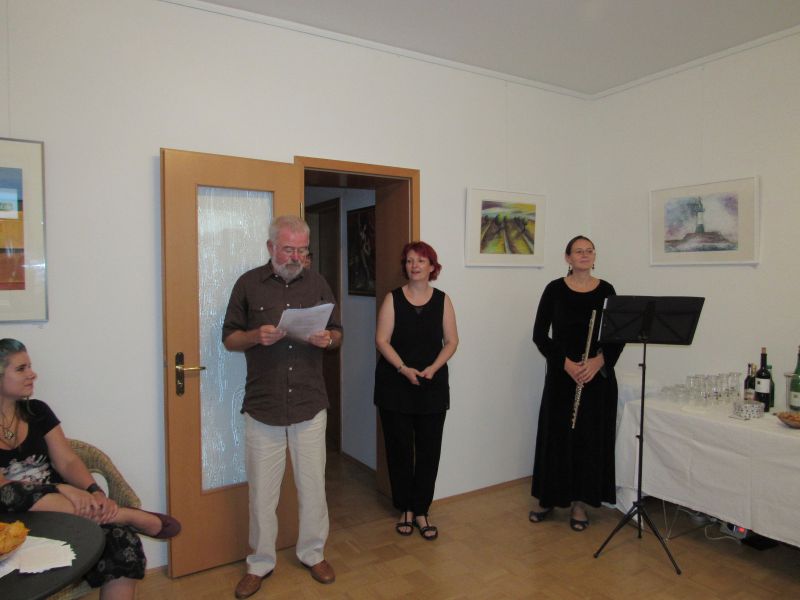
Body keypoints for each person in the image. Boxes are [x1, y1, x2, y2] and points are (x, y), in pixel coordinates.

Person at [0, 338, 180, 600]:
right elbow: (4, 489)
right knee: (7, 494)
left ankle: (110, 517)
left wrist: (93, 490)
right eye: (21, 369)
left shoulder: (37, 411)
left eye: (30, 366)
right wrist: (61, 489)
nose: (32, 374)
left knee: (122, 541)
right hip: (11, 524)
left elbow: (67, 461)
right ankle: (122, 514)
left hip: (65, 512)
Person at [222, 215, 342, 599]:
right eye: (289, 249)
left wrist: (328, 339)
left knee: (313, 488)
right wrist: (254, 336)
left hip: (309, 402)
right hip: (264, 405)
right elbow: (229, 339)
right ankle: (259, 563)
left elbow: (338, 332)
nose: (296, 257)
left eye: (302, 250)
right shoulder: (248, 284)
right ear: (271, 246)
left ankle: (313, 553)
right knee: (262, 494)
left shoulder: (318, 283)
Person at [529, 235, 624, 531]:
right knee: (556, 437)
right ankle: (548, 497)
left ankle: (580, 503)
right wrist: (567, 364)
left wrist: (598, 361)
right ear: (567, 258)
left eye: (589, 251)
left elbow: (617, 335)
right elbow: (540, 335)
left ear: (594, 256)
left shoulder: (607, 290)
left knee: (588, 440)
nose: (584, 255)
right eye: (578, 251)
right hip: (563, 374)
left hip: (595, 376)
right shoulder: (554, 289)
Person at [374, 241, 458, 541]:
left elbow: (452, 341)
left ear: (432, 266)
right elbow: (382, 340)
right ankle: (405, 508)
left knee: (428, 450)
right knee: (398, 450)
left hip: (432, 385)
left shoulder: (443, 300)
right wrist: (403, 368)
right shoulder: (392, 299)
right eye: (410, 261)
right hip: (395, 384)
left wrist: (433, 368)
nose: (415, 266)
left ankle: (422, 510)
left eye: (421, 261)